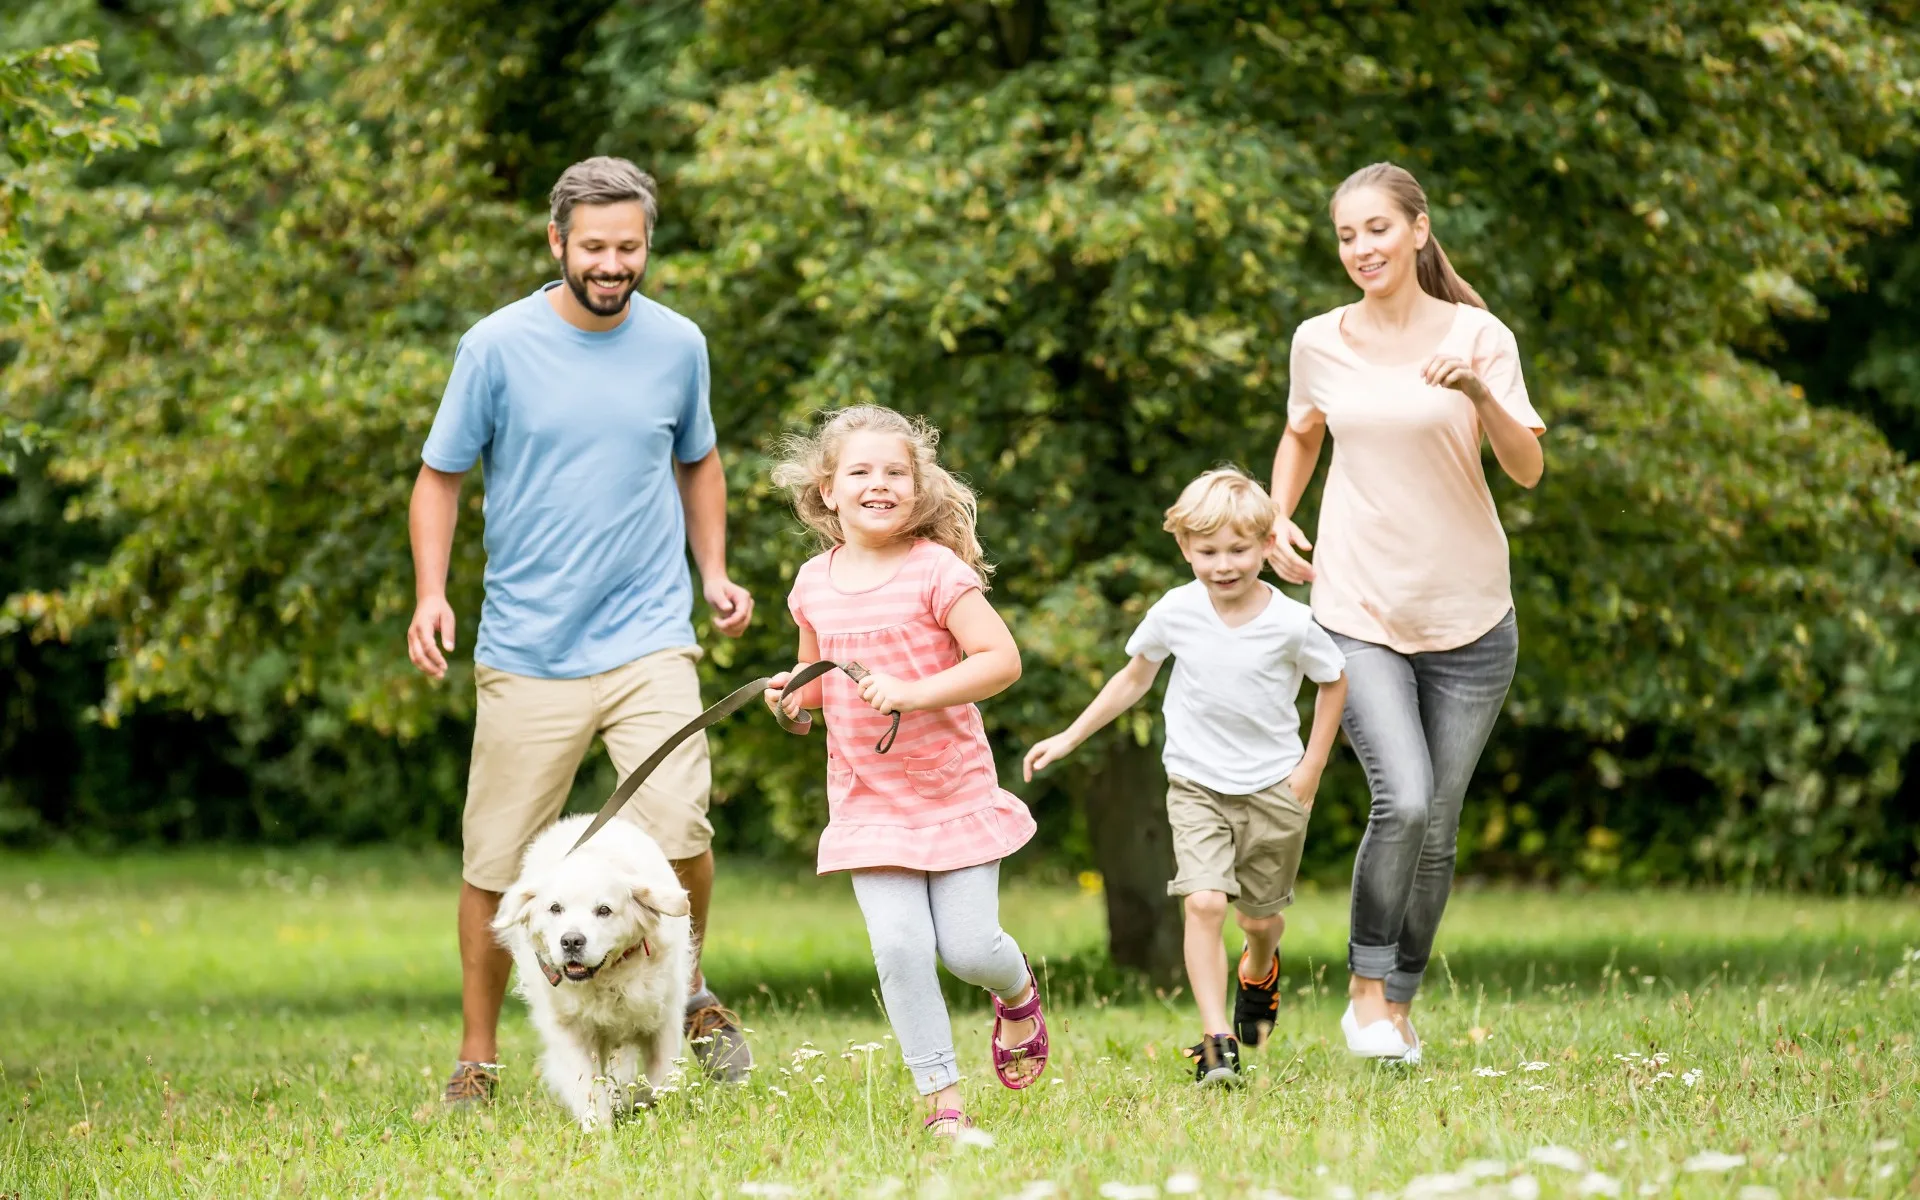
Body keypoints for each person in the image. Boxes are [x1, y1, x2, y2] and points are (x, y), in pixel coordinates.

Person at [406, 156, 757, 1108]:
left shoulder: (679, 343)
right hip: (528, 650)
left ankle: (686, 992)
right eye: (595, 247)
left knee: (683, 823)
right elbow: (439, 476)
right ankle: (477, 1062)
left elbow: (700, 458)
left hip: (649, 635)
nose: (613, 264)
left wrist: (713, 572)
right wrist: (431, 593)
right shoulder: (495, 346)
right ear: (556, 241)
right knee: (496, 859)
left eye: (630, 247)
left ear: (648, 245)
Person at [1269, 161, 1546, 1064]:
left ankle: (1398, 998)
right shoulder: (1320, 340)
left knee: (1441, 823)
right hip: (1358, 604)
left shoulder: (1478, 335)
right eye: (1347, 236)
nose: (1361, 249)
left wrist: (1475, 390)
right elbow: (1301, 430)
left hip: (1471, 614)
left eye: (1377, 230)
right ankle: (1364, 992)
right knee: (1407, 798)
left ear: (1419, 231)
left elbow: (1528, 469)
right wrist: (1278, 515)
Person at [762, 405, 1049, 1137]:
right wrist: (792, 702)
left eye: (896, 472)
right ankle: (941, 1103)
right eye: (860, 472)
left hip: (952, 791)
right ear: (828, 490)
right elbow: (815, 678)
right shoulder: (812, 583)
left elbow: (1000, 661)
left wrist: (916, 692)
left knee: (967, 948)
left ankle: (1016, 992)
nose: (879, 484)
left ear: (918, 488)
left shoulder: (935, 569)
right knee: (897, 947)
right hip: (868, 801)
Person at [1023, 468, 1347, 1086]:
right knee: (1202, 902)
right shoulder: (1176, 610)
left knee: (1258, 919)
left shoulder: (1290, 621)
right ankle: (1216, 1039)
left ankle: (1260, 967)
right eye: (1208, 552)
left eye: (1238, 550)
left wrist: (1310, 767)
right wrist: (1069, 736)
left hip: (1275, 788)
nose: (1224, 565)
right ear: (1184, 548)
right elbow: (1134, 678)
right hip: (1196, 782)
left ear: (1265, 545)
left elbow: (1334, 681)